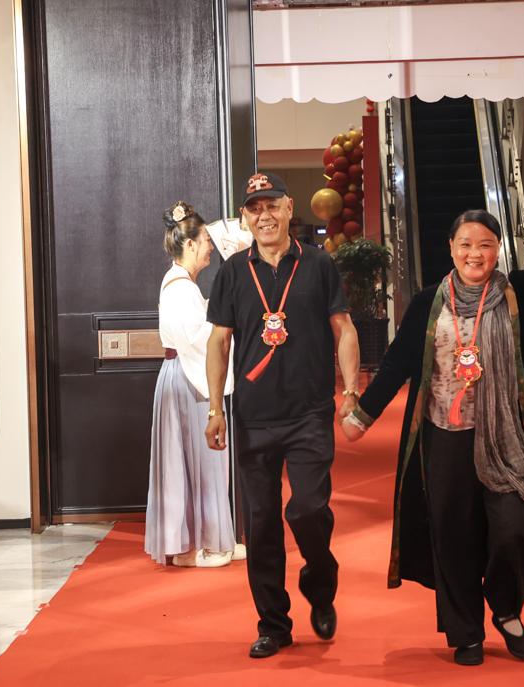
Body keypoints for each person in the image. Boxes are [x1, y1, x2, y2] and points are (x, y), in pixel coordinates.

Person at [342, 149, 524, 666]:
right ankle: (465, 632)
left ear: (498, 250)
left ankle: (507, 610)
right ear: (450, 249)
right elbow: (396, 363)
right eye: (465, 244)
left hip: (507, 439)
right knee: (453, 535)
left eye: (485, 244)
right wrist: (361, 415)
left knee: (511, 530)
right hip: (444, 438)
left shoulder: (517, 293)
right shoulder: (427, 303)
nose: (475, 254)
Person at [205, 171, 360, 658]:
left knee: (308, 509)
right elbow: (219, 342)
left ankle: (320, 580)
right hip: (253, 418)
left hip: (309, 413)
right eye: (254, 209)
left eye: (272, 205)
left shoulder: (318, 264)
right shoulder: (233, 271)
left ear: (290, 208)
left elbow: (344, 328)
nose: (264, 215)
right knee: (261, 525)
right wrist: (215, 408)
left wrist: (351, 390)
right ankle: (273, 624)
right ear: (245, 218)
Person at [145, 201, 238, 568]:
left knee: (202, 462)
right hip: (187, 375)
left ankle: (211, 539)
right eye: (206, 241)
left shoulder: (183, 284)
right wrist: (226, 321)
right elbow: (198, 338)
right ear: (190, 244)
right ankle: (190, 548)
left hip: (185, 374)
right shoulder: (180, 287)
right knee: (194, 460)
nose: (210, 248)